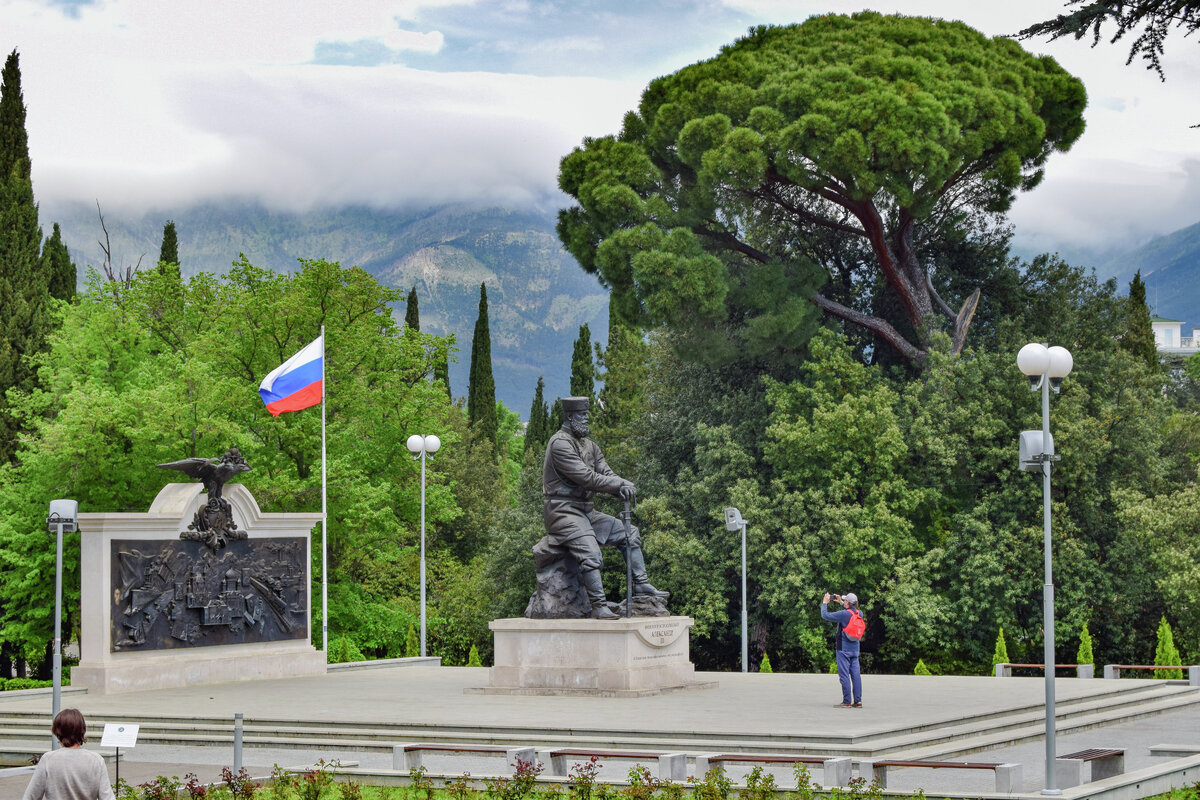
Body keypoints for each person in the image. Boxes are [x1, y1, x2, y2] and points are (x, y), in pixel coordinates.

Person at [543, 396, 668, 619]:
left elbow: (606, 472)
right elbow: (587, 477)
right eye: (582, 416)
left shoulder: (590, 445)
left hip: (587, 511)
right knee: (591, 552)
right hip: (562, 511)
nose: (587, 419)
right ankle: (599, 606)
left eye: (587, 415)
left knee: (630, 534)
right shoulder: (560, 443)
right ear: (570, 417)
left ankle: (641, 585)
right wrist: (618, 485)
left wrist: (622, 484)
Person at [23, 708, 116, 800]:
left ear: (58, 732)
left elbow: (31, 796)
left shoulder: (48, 759)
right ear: (82, 730)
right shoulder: (96, 760)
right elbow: (107, 797)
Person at [821, 592, 863, 708]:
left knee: (844, 675)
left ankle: (847, 701)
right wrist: (840, 602)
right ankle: (858, 701)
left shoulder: (844, 614)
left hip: (843, 649)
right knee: (856, 675)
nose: (843, 602)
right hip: (855, 650)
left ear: (848, 603)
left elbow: (825, 615)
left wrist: (825, 602)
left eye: (845, 601)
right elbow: (850, 613)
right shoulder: (860, 613)